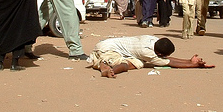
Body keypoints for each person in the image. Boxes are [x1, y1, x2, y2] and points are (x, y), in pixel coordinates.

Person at [87, 35, 215, 78]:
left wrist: (189, 60)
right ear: (159, 54)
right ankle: (105, 68)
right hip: (107, 49)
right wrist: (193, 65)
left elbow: (167, 58)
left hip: (116, 48)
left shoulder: (153, 40)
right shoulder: (146, 52)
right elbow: (169, 62)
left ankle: (110, 68)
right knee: (114, 61)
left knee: (138, 63)